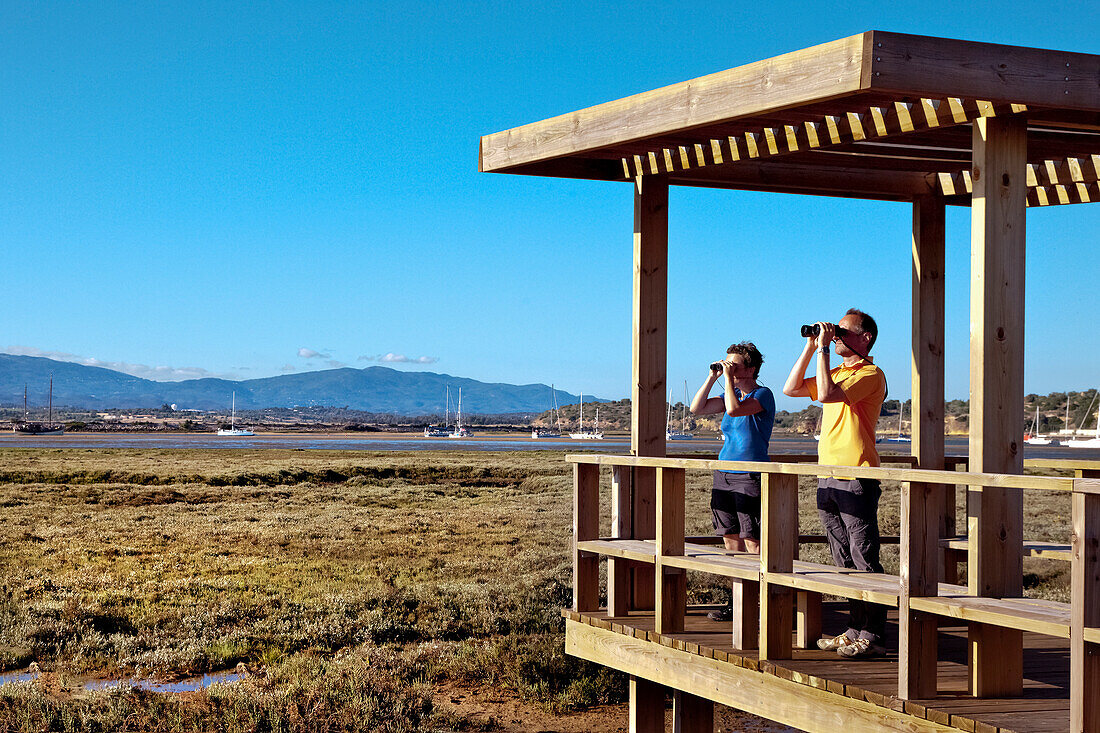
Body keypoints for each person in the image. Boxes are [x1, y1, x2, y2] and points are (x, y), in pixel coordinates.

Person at [782, 309, 887, 659]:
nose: (838, 335)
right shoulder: (838, 370)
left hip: (857, 474)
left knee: (863, 556)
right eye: (835, 331)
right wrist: (812, 348)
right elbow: (791, 388)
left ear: (865, 337)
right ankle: (853, 629)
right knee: (842, 558)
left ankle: (871, 633)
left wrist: (826, 350)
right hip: (828, 475)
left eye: (844, 331)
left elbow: (826, 396)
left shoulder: (871, 374)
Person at [691, 342, 775, 621]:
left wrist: (727, 380)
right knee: (729, 537)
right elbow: (697, 408)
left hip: (749, 473)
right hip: (724, 473)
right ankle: (739, 601)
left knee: (752, 537)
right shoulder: (731, 392)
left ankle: (761, 602)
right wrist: (713, 376)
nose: (730, 368)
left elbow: (736, 410)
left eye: (735, 364)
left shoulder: (763, 395)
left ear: (751, 369)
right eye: (727, 363)